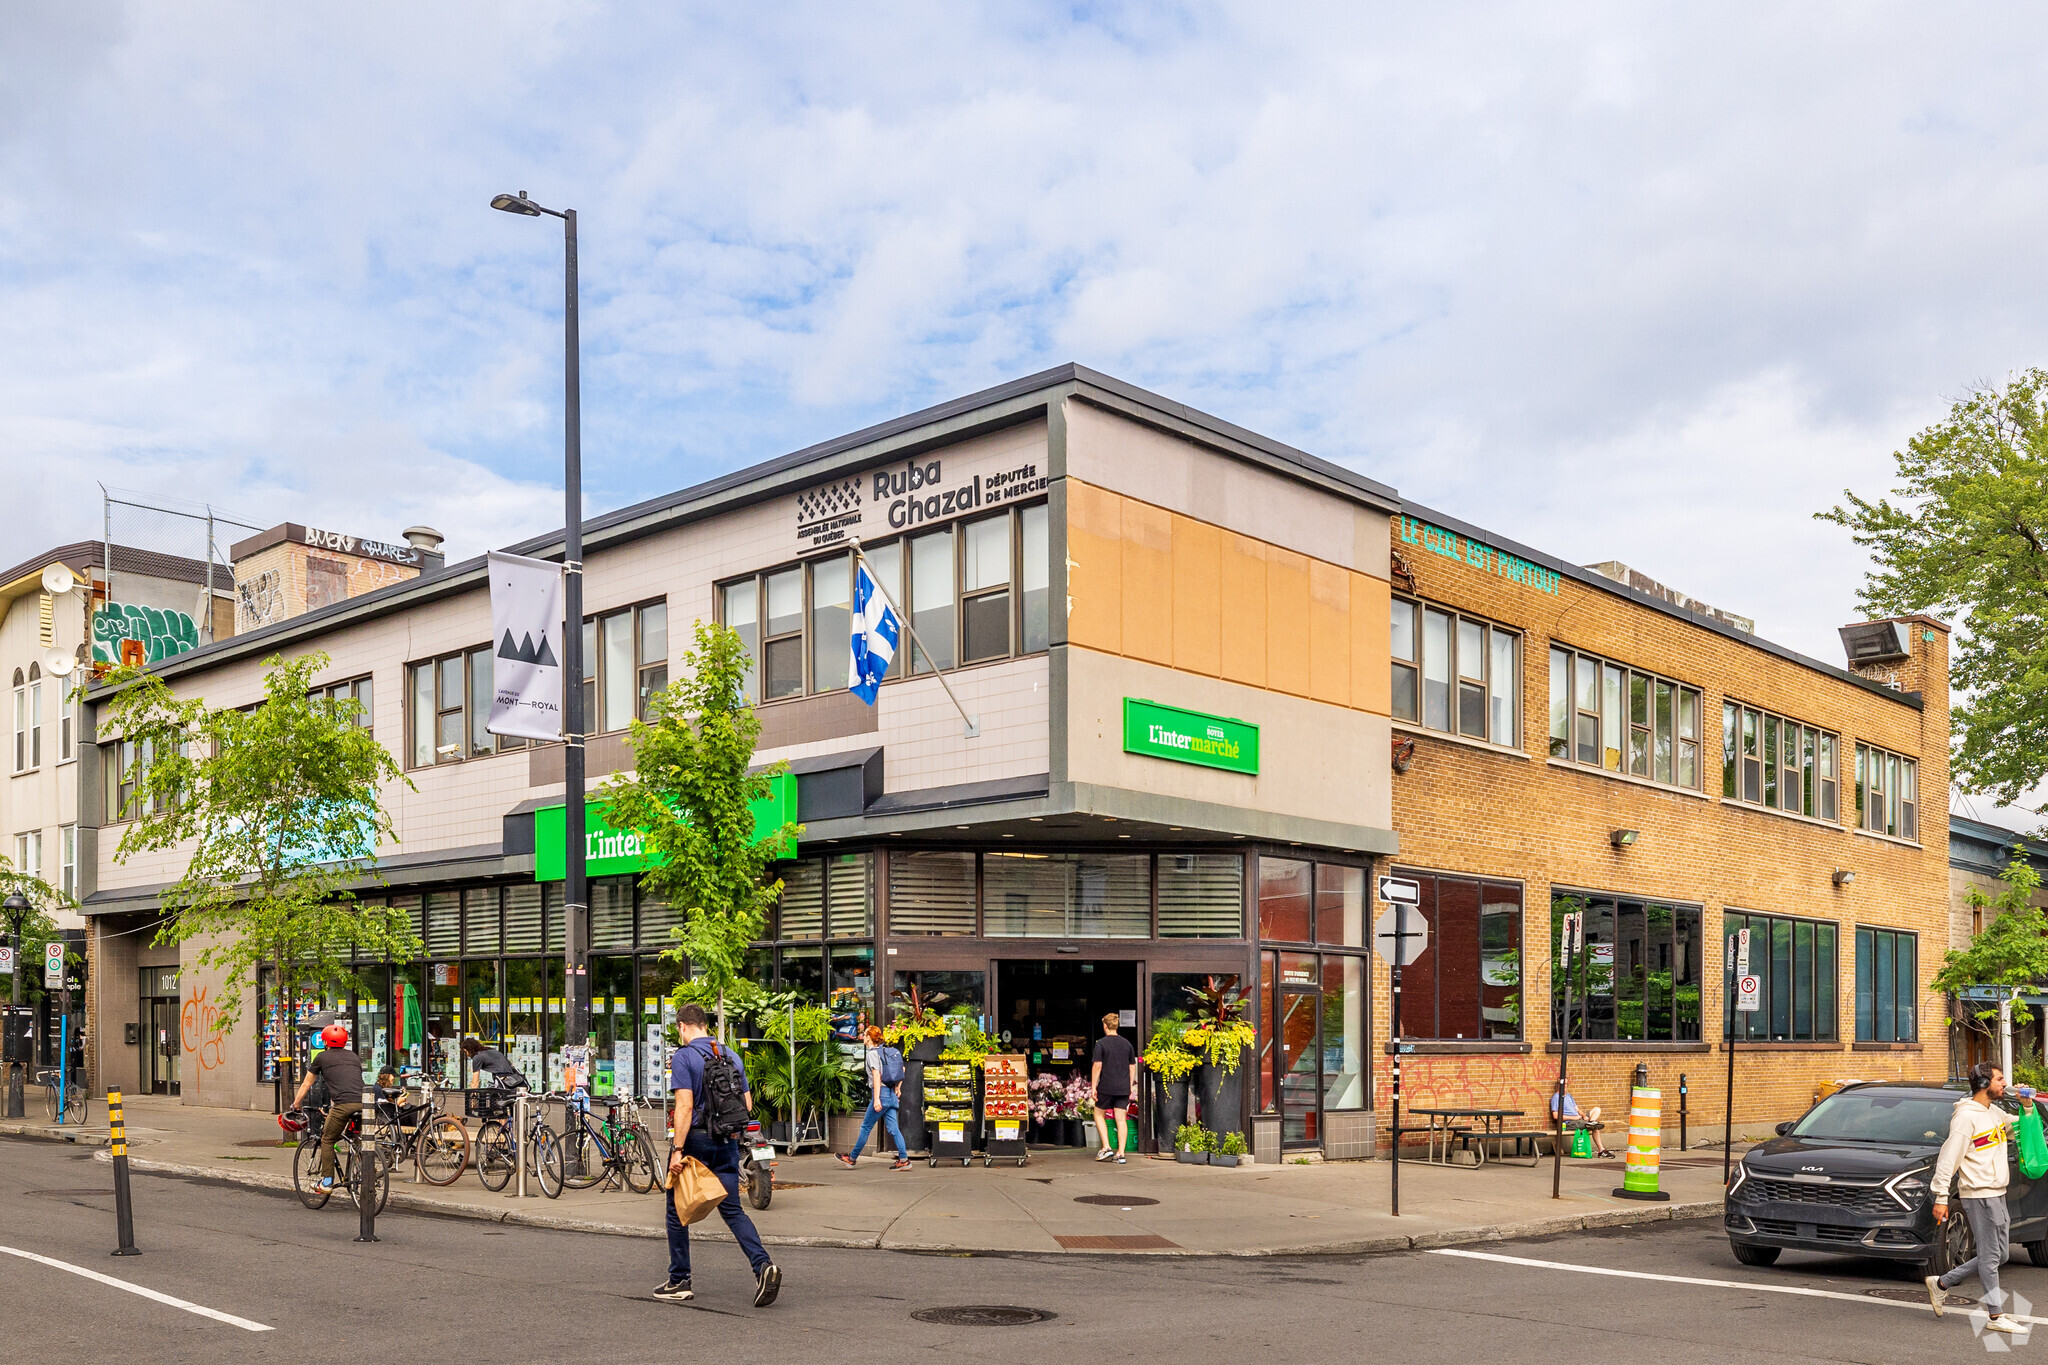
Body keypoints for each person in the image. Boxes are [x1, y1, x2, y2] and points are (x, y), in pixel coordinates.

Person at [654, 1005, 782, 1308]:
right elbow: (747, 1103)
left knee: (676, 1209)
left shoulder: (684, 1057)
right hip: (726, 1141)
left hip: (696, 1141)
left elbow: (684, 1108)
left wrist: (678, 1149)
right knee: (732, 1210)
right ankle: (763, 1266)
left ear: (684, 1027)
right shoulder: (730, 1055)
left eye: (679, 1029)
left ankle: (680, 1280)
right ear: (705, 1025)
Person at [1927, 1062, 2043, 1333]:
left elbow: (2021, 1128)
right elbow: (1948, 1159)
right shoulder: (1966, 1118)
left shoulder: (1993, 1113)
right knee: (1991, 1257)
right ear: (1983, 1084)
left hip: (1997, 1193)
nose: (2004, 1084)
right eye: (2000, 1079)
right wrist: (1941, 1196)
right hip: (1979, 1195)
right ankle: (1995, 1315)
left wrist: (2027, 1106)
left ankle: (1941, 1283)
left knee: (2000, 1255)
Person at [291, 1022, 365, 1191]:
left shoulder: (322, 1058)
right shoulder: (353, 1056)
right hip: (365, 1103)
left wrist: (296, 1104)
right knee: (356, 1137)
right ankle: (366, 1169)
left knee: (328, 1139)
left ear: (325, 1042)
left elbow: (306, 1084)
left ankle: (326, 1182)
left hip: (343, 1105)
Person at [837, 1025, 912, 1170]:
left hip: (881, 1094)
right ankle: (904, 1159)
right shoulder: (885, 1052)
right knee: (894, 1129)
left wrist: (877, 1098)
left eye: (865, 1035)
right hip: (891, 1095)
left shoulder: (872, 1054)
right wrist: (898, 1088)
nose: (863, 1037)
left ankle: (852, 1159)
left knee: (865, 1127)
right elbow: (902, 1069)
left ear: (869, 1038)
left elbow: (876, 1075)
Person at [1090, 1013, 1137, 1164]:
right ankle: (1121, 1154)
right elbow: (1132, 1067)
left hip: (1106, 1086)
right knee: (1121, 1120)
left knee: (1098, 1114)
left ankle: (1106, 1147)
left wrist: (1093, 1087)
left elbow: (1097, 1066)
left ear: (1105, 1025)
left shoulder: (1101, 1044)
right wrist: (1129, 1085)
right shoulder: (1127, 1044)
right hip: (1123, 1087)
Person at [1547, 1082, 1608, 1156]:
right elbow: (1556, 1116)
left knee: (1597, 1109)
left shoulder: (1569, 1096)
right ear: (1558, 1085)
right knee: (1595, 1128)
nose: (1565, 1086)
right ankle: (1601, 1149)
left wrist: (1583, 1116)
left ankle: (1591, 1122)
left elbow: (1578, 1110)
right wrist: (1574, 1117)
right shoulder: (1556, 1097)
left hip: (1579, 1119)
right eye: (1563, 1084)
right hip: (1569, 1123)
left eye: (1566, 1084)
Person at [460, 1037, 527, 1088]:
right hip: (514, 1081)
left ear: (470, 1049)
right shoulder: (493, 1051)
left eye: (466, 1052)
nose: (467, 1054)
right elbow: (509, 1064)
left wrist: (473, 1100)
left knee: (495, 1102)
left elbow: (475, 1081)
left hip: (502, 1081)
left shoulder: (477, 1057)